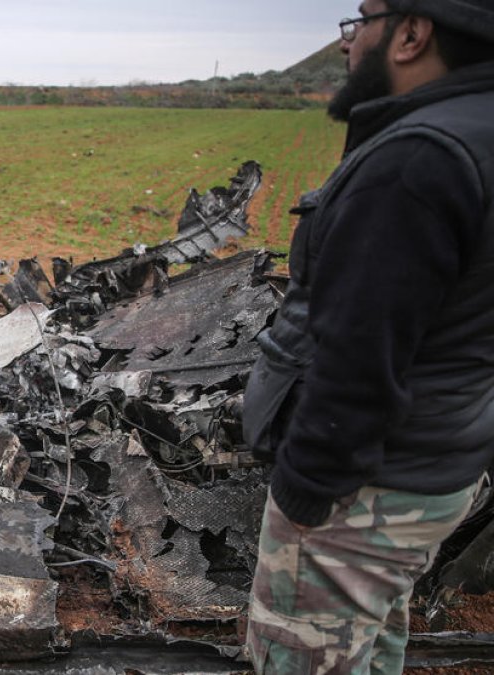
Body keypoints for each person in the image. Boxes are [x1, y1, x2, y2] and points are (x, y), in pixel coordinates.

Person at [242, 1, 494, 672]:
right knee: (371, 641)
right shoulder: (476, 134)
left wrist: (303, 490)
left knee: (306, 656)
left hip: (364, 493)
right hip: (437, 466)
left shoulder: (417, 162)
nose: (347, 44)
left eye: (363, 21)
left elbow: (358, 355)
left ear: (412, 33)